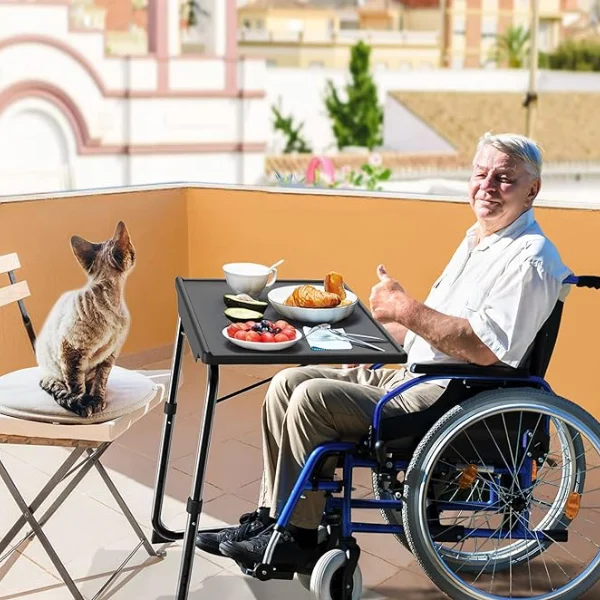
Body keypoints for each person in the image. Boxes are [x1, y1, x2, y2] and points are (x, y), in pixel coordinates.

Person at [195, 132, 572, 570]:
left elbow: (485, 347)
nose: (487, 186)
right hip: (415, 371)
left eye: (503, 178)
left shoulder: (530, 257)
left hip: (450, 393)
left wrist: (407, 309)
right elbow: (444, 325)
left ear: (532, 190)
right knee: (287, 382)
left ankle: (297, 537)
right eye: (480, 173)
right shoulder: (479, 240)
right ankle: (269, 518)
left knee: (312, 400)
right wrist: (384, 330)